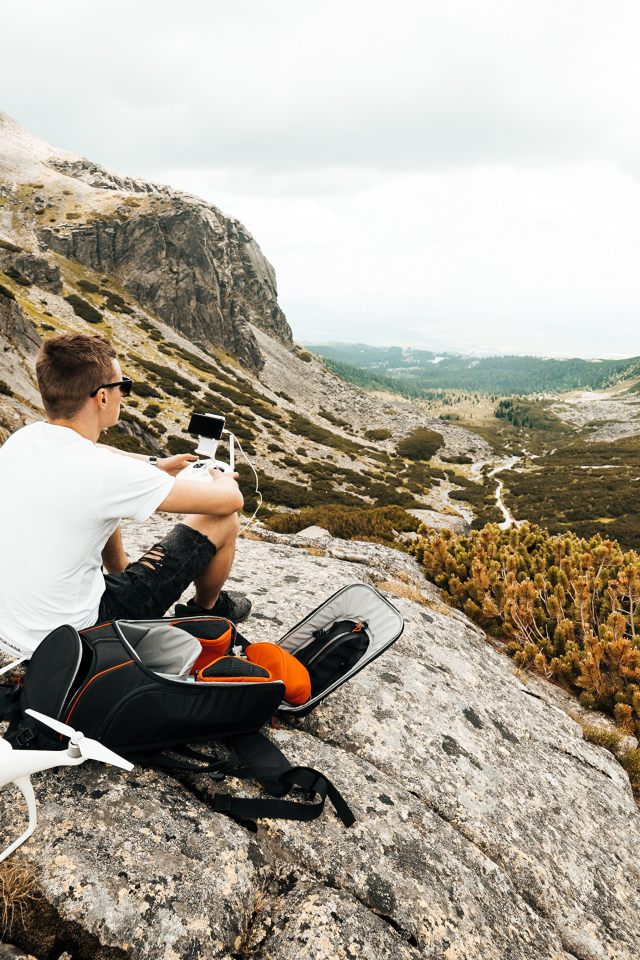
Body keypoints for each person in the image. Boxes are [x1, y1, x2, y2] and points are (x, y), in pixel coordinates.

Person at [0, 333, 251, 660]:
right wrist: (223, 478)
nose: (124, 395)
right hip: (80, 638)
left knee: (99, 509)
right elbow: (231, 502)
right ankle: (208, 611)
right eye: (123, 387)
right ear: (102, 398)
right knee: (223, 520)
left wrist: (156, 464)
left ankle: (121, 573)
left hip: (13, 632)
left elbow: (98, 451)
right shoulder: (103, 472)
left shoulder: (22, 439)